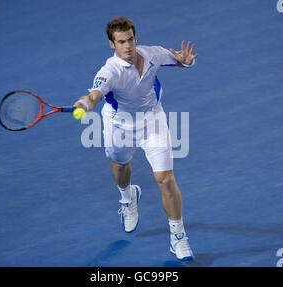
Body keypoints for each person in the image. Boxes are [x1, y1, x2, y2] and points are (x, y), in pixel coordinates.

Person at [73, 16, 198, 261]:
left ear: (135, 37)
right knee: (121, 165)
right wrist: (86, 102)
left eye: (130, 39)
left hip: (153, 120)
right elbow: (96, 93)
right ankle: (128, 198)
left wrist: (185, 62)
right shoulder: (109, 71)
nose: (127, 46)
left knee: (166, 180)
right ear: (112, 44)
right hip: (119, 124)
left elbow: (178, 61)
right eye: (121, 42)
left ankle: (178, 237)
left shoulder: (152, 54)